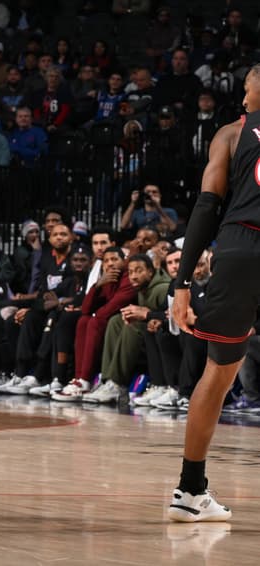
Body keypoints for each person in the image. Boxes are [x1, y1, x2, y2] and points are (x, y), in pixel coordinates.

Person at [166, 66, 260, 522]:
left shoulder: (229, 134)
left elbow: (206, 207)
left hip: (239, 248)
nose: (242, 98)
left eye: (246, 89)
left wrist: (181, 283)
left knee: (219, 374)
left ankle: (189, 491)